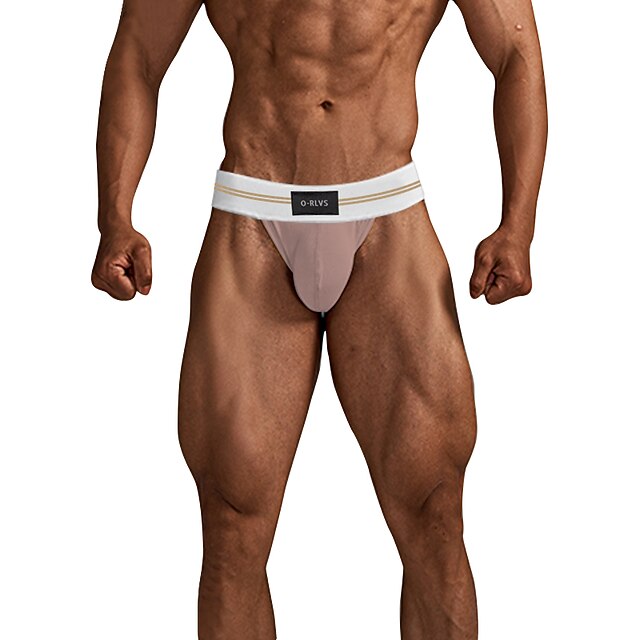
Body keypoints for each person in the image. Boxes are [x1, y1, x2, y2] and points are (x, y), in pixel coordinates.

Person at [91, 0, 547, 637]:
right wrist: (115, 217)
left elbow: (516, 52)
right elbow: (139, 52)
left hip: (385, 210)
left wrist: (518, 226)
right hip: (253, 210)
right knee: (231, 525)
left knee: (433, 512)